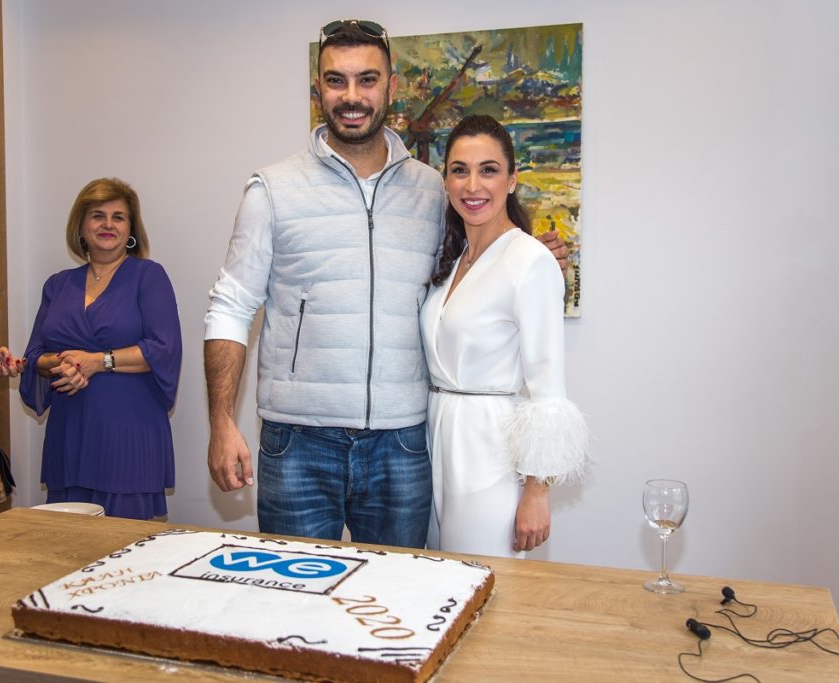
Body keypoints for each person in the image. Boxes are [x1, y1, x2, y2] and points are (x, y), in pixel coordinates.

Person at [204, 20, 568, 548]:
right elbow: (230, 307)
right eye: (336, 80)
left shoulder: (431, 189)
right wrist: (221, 422)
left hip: (403, 445)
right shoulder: (272, 190)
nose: (352, 96)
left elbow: (481, 256)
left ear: (391, 87)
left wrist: (531, 254)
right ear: (318, 89)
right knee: (297, 592)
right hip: (298, 443)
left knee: (404, 593)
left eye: (367, 79)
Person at [420, 115, 589, 558]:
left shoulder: (530, 261)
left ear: (512, 180)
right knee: (437, 584)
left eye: (489, 170)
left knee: (484, 580)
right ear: (446, 180)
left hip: (489, 453)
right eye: (460, 170)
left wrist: (537, 491)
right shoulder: (452, 258)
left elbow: (547, 389)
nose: (472, 185)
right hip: (433, 444)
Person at [0, 178, 181, 519]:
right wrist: (64, 363)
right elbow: (36, 356)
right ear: (81, 226)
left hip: (128, 434)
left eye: (118, 217)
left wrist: (99, 361)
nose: (108, 224)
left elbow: (163, 349)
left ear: (131, 229)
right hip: (69, 436)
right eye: (98, 215)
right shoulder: (57, 285)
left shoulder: (148, 276)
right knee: (68, 544)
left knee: (124, 547)